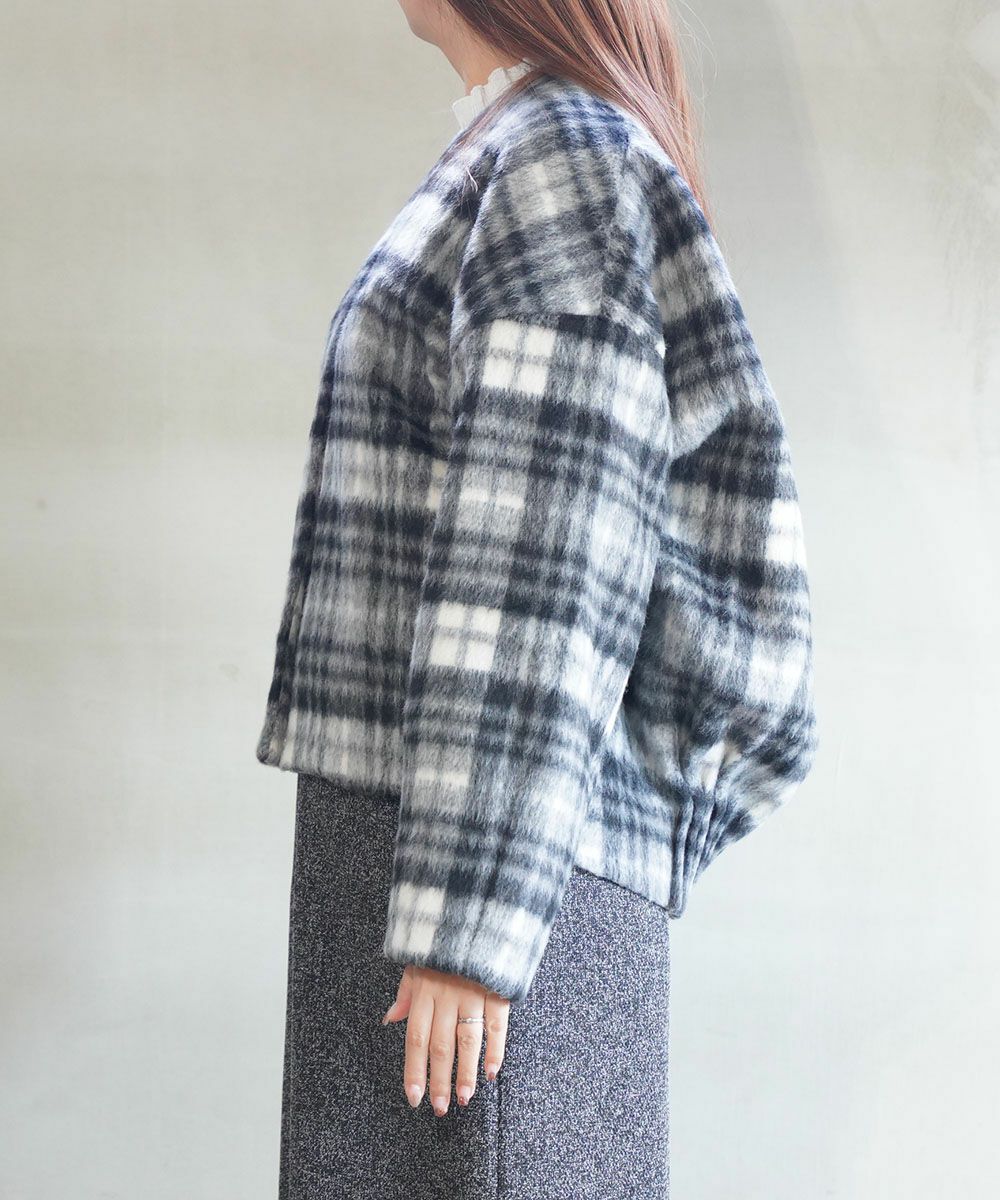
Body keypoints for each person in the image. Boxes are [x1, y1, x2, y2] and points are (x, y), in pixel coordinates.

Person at [256, 2, 819, 1195]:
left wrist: (470, 921)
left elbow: (545, 555)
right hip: (451, 841)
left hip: (483, 868)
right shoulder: (522, 147)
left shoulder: (560, 159)